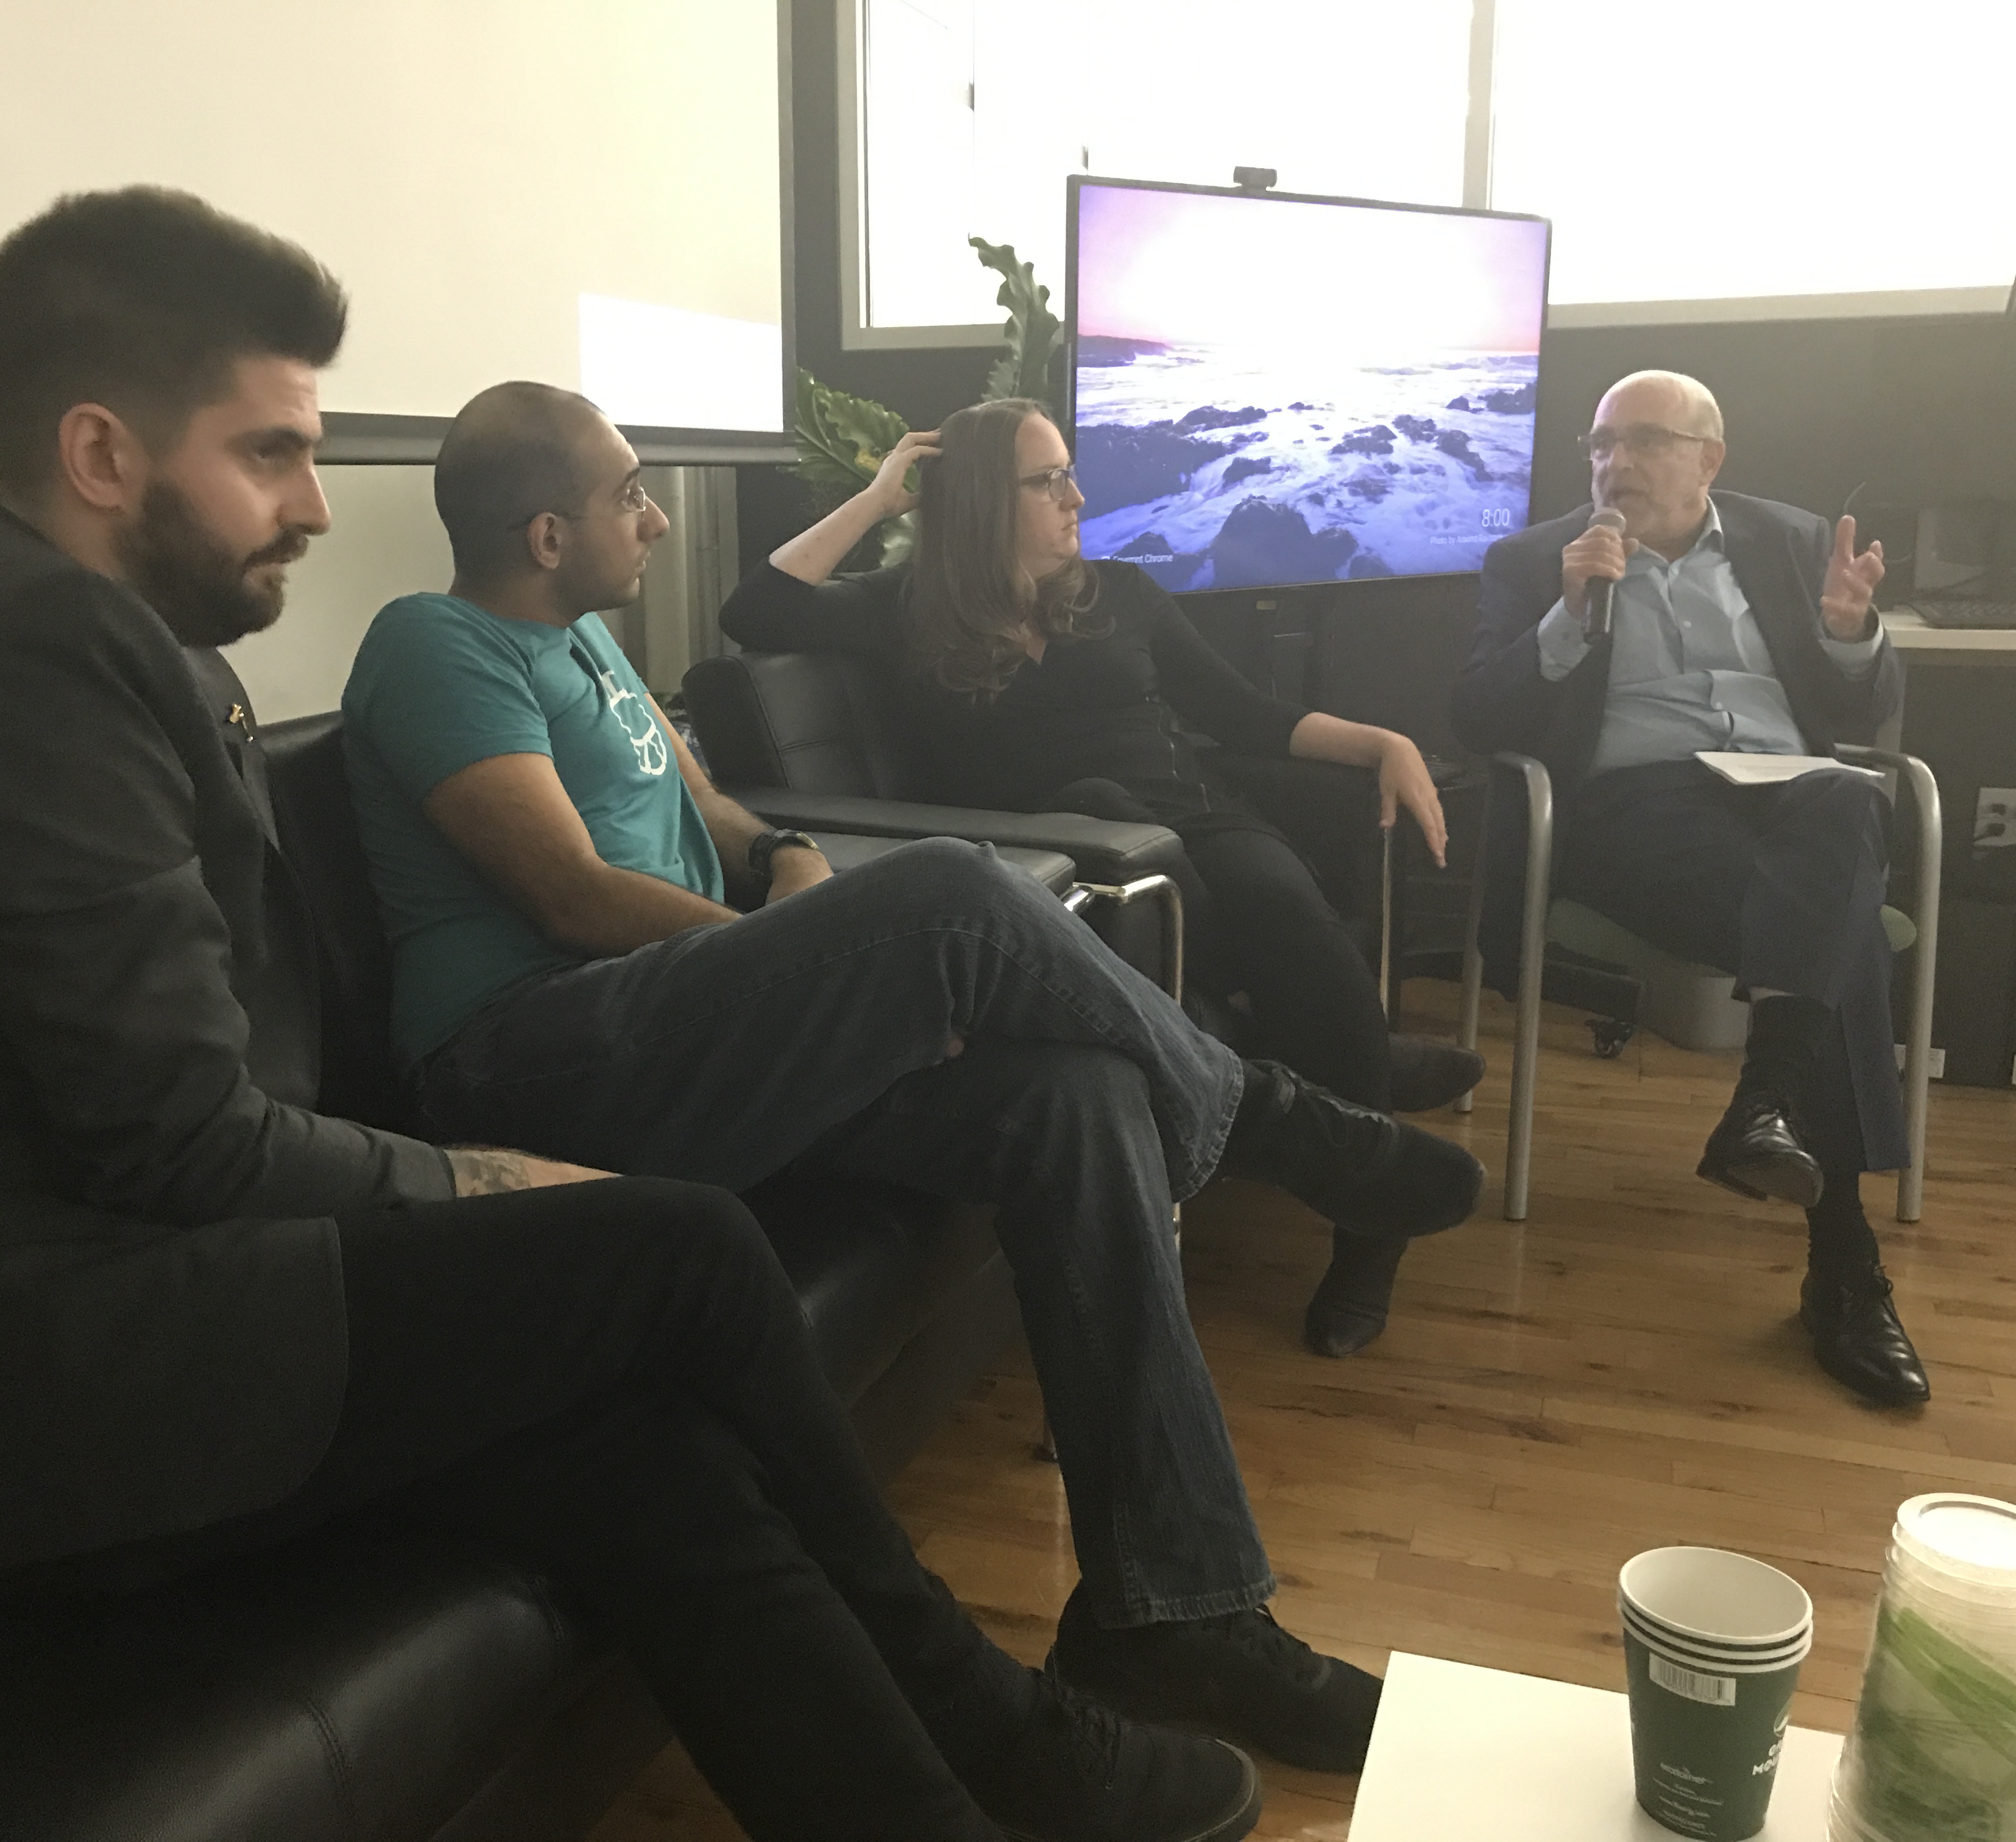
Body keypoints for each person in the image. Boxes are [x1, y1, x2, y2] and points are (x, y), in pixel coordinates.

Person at [0, 187, 1290, 1842]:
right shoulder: (24, 653)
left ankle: (961, 1781)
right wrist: (479, 1177)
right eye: (271, 453)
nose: (318, 504)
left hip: (83, 1310)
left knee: (645, 1447)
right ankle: (984, 1710)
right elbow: (174, 1142)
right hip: (1, 1397)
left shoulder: (74, 636)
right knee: (676, 1249)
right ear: (100, 454)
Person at [341, 379, 1488, 1776]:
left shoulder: (588, 644)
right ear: (542, 534)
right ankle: (1267, 1114)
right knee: (952, 890)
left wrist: (786, 865)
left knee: (1078, 1101)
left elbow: (714, 810)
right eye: (630, 495)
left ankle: (1174, 1616)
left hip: (676, 1038)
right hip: (531, 1061)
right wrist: (809, 964)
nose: (656, 519)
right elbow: (569, 895)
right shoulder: (433, 646)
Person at [721, 397, 1485, 1357]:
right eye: (1047, 481)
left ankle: (1370, 1231)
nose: (1075, 498)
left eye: (1070, 475)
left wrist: (1383, 743)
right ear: (982, 502)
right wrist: (878, 501)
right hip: (1079, 865)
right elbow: (755, 610)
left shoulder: (1121, 592)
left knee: (1279, 896)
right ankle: (1365, 1062)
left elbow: (1243, 713)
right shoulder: (904, 611)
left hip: (1201, 820)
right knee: (1099, 800)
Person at [1454, 369, 1929, 1408]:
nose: (1614, 463)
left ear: (1709, 459)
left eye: (1644, 442)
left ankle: (1769, 1108)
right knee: (1842, 933)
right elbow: (1480, 719)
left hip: (1791, 799)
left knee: (1845, 798)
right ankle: (1841, 1259)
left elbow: (1864, 707)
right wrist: (1569, 615)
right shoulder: (1535, 559)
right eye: (1600, 444)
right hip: (1635, 809)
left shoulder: (1792, 541)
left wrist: (1851, 635)